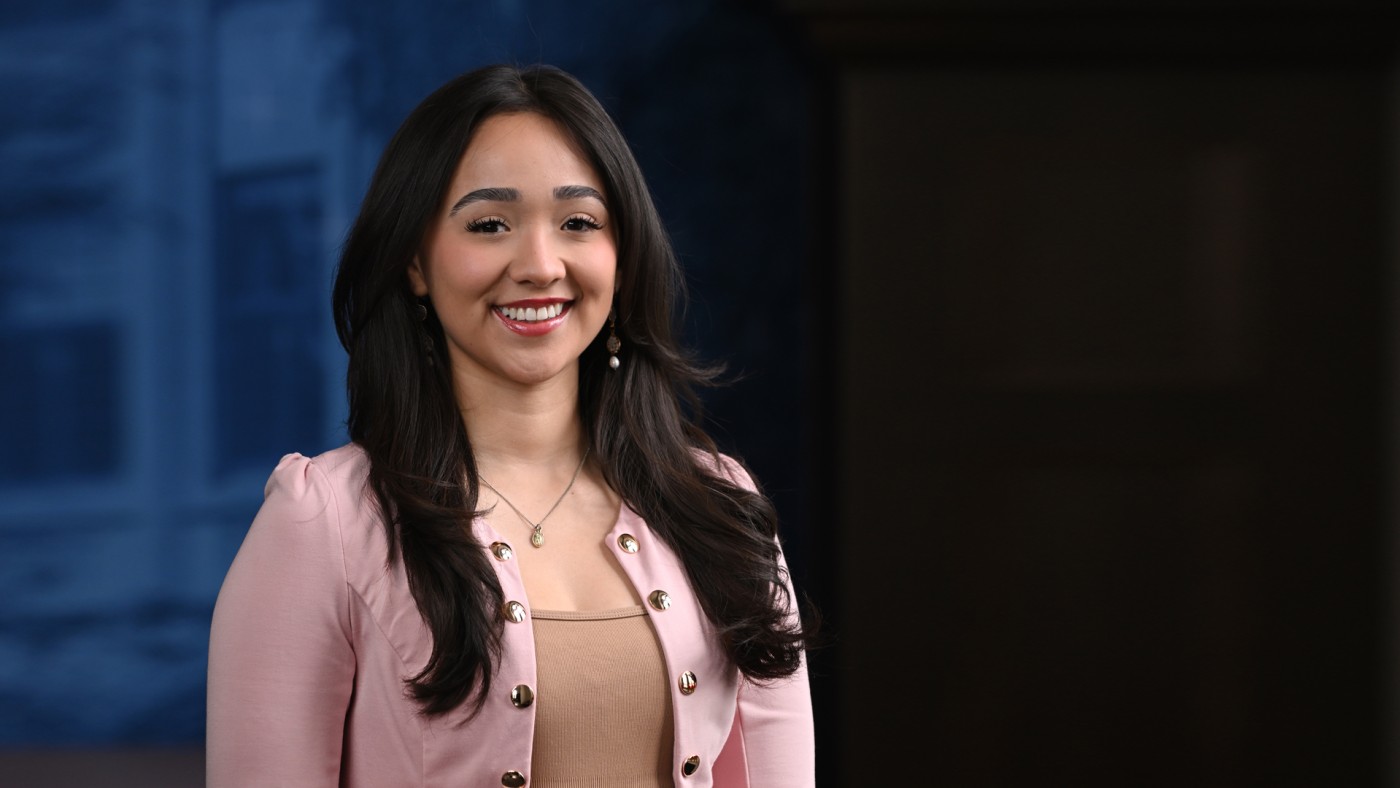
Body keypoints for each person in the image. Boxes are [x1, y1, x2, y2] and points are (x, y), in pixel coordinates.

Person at [205, 63, 816, 787]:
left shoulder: (719, 510)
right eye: (489, 225)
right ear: (415, 263)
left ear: (622, 258)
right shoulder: (325, 523)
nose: (540, 265)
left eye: (578, 223)